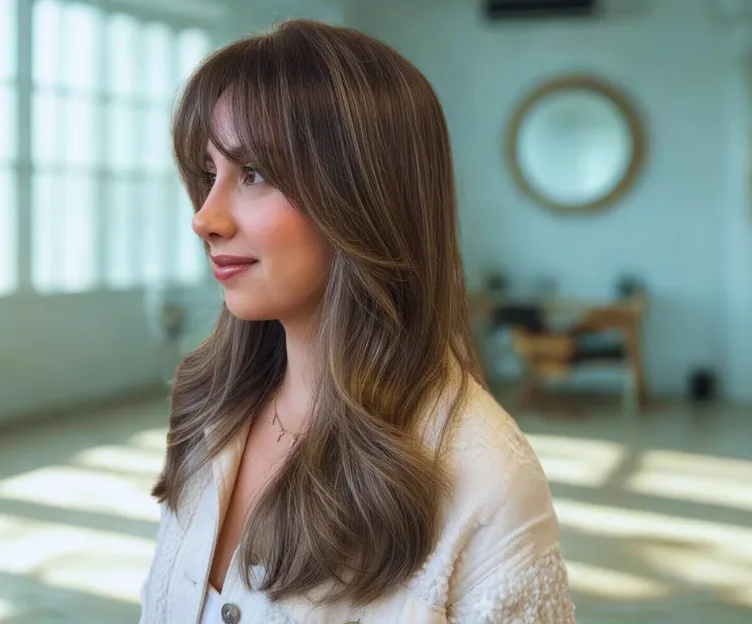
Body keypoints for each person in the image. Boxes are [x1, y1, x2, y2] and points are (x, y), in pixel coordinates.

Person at [140, 18, 574, 624]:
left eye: (254, 174)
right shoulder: (212, 407)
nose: (205, 218)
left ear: (362, 197)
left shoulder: (485, 479)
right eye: (209, 174)